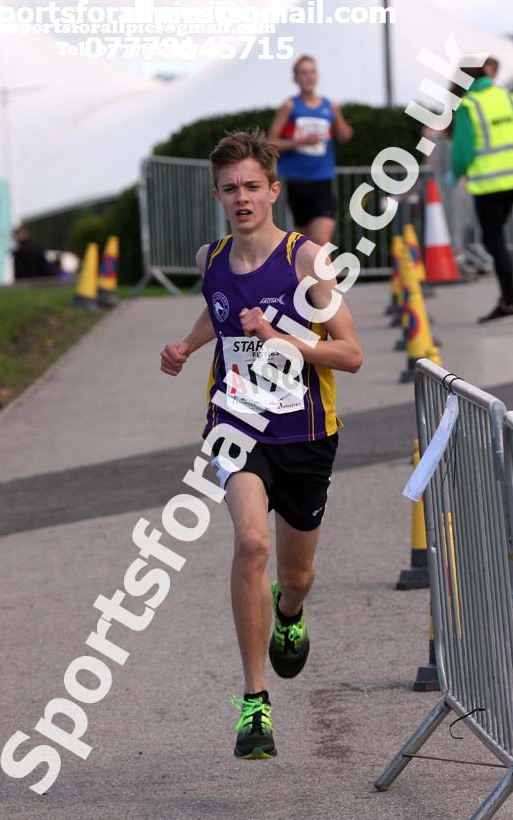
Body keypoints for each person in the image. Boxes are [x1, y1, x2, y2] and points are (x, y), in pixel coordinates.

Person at [160, 130, 362, 759]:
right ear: (217, 196)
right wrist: (187, 346)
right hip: (237, 429)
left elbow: (351, 353)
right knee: (250, 542)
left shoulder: (308, 261)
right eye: (230, 189)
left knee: (296, 575)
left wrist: (284, 340)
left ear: (274, 191)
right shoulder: (211, 258)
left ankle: (290, 613)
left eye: (252, 186)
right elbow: (218, 309)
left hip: (305, 433)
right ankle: (255, 702)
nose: (242, 198)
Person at [268, 54, 353, 245]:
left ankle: (325, 267)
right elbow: (271, 143)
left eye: (312, 72)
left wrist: (344, 127)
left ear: (317, 75)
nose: (308, 77)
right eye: (303, 73)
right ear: (296, 78)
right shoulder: (289, 106)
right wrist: (300, 142)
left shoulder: (330, 106)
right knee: (306, 242)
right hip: (296, 180)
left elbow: (343, 135)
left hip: (322, 179)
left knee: (321, 239)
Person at [451, 65, 513, 322]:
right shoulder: (505, 96)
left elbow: (463, 150)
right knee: (498, 240)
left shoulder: (469, 104)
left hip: (488, 185)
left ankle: (509, 300)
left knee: (493, 240)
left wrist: (456, 172)